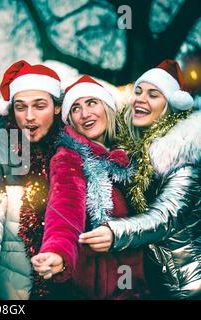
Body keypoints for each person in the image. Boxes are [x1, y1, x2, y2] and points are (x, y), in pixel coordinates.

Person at [79, 59, 200, 299]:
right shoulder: (134, 150)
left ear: (171, 105)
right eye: (138, 91)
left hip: (185, 285)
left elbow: (165, 218)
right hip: (151, 279)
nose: (140, 99)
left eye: (153, 94)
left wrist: (113, 232)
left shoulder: (186, 155)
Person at [32, 75, 148, 299]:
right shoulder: (68, 158)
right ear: (70, 120)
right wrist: (58, 252)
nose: (85, 114)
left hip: (139, 278)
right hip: (101, 285)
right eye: (75, 108)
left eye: (91, 103)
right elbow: (64, 208)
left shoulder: (131, 153)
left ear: (107, 107)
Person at [0, 60, 64, 299]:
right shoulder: (0, 150)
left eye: (39, 106)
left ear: (57, 107)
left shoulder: (77, 148)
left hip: (75, 284)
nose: (29, 116)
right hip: (16, 287)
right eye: (21, 107)